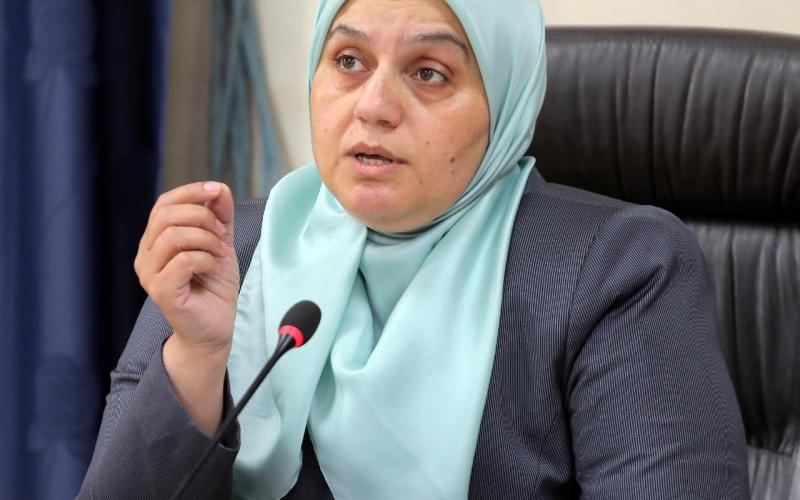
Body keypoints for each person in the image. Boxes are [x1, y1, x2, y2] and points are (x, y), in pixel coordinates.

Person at [79, 0, 750, 498]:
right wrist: (198, 357)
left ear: (505, 102)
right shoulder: (231, 253)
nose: (373, 106)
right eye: (348, 61)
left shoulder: (620, 270)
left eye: (429, 73)